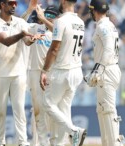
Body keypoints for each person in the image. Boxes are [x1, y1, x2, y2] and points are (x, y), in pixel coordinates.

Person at [0, 0, 43, 145]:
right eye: (10, 3)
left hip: (18, 72)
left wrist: (31, 39)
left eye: (15, 4)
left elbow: (26, 40)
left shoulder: (20, 22)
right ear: (2, 5)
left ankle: (22, 142)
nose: (14, 6)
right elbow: (5, 41)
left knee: (20, 111)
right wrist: (22, 34)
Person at [39, 0, 87, 145]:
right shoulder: (80, 22)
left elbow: (54, 49)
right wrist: (43, 20)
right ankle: (61, 143)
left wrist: (44, 70)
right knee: (64, 109)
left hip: (62, 71)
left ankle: (74, 131)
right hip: (76, 70)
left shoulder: (61, 21)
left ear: (64, 1)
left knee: (47, 104)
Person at [84, 0, 124, 145]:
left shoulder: (104, 26)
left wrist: (98, 70)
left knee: (108, 110)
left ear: (94, 11)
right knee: (102, 110)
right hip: (108, 69)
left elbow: (108, 49)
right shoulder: (108, 25)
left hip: (107, 70)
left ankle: (115, 143)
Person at [22, 2, 61, 146]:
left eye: (52, 15)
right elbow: (20, 27)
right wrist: (30, 11)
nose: (49, 18)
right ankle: (39, 142)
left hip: (51, 73)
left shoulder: (57, 33)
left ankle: (56, 141)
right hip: (34, 72)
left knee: (52, 108)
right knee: (37, 110)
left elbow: (58, 33)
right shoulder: (34, 28)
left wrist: (44, 18)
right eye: (47, 15)